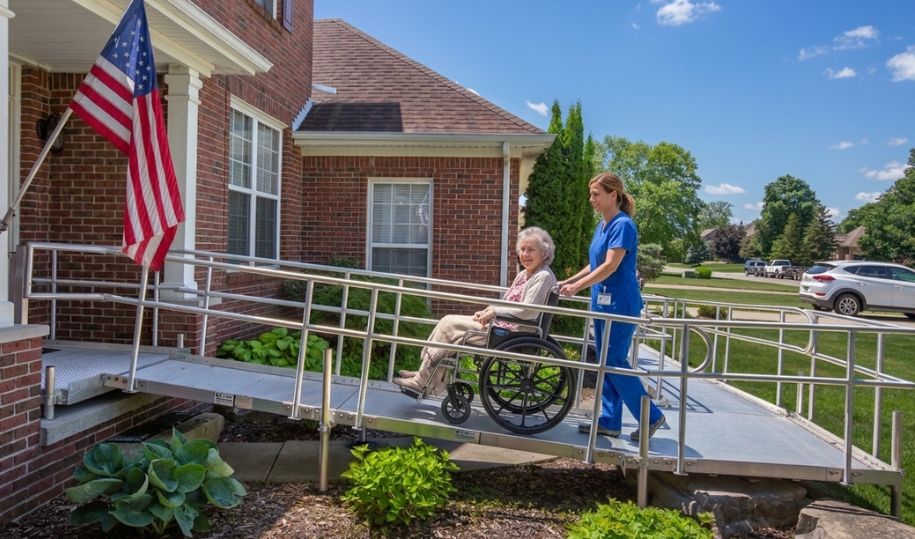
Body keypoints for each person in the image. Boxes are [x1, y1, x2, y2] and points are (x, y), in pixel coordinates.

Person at [559, 172, 666, 441]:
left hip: (620, 303)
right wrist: (569, 280)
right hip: (602, 302)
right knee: (607, 362)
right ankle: (609, 421)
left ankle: (651, 416)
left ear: (613, 195)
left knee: (614, 361)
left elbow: (611, 265)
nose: (591, 199)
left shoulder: (623, 225)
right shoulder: (602, 225)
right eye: (591, 193)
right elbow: (595, 263)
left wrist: (577, 288)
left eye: (596, 194)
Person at [394, 227, 558, 397]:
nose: (525, 254)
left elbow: (528, 311)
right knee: (447, 321)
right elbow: (509, 302)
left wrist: (495, 312)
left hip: (511, 332)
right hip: (503, 324)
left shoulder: (542, 276)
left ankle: (423, 380)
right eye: (522, 249)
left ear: (544, 253)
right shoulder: (525, 274)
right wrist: (488, 311)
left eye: (531, 250)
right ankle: (427, 377)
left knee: (449, 325)